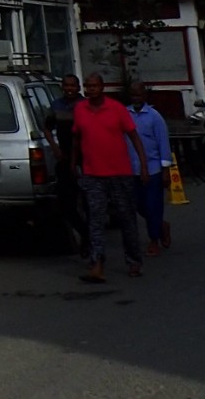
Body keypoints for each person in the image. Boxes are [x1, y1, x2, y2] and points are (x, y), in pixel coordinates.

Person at [73, 73, 148, 281]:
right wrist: (73, 164)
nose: (91, 90)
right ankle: (97, 263)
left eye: (94, 86)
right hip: (92, 174)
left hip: (120, 174)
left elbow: (134, 137)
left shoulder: (117, 109)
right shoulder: (80, 109)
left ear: (102, 87)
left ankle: (134, 261)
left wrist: (143, 166)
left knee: (126, 219)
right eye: (87, 86)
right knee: (95, 220)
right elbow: (77, 139)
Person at [127, 81, 174, 255]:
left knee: (153, 205)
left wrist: (165, 170)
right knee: (139, 205)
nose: (136, 98)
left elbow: (163, 143)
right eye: (133, 95)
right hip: (132, 169)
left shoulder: (154, 116)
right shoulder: (125, 114)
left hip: (153, 169)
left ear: (145, 96)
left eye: (139, 95)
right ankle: (161, 225)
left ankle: (154, 240)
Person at [47, 75, 88, 257]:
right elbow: (46, 127)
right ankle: (84, 234)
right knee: (66, 203)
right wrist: (55, 147)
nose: (69, 88)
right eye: (66, 85)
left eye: (73, 85)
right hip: (64, 157)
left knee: (89, 201)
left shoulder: (85, 105)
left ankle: (91, 241)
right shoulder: (56, 105)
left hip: (86, 157)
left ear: (78, 87)